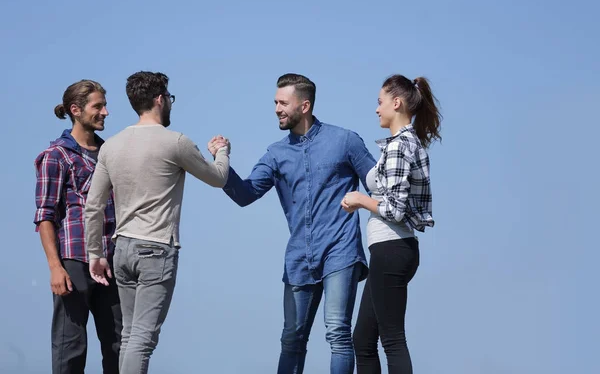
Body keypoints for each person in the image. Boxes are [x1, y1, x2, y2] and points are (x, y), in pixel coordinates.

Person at [208, 73, 376, 374]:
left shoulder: (345, 141)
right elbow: (245, 194)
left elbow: (379, 185)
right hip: (299, 258)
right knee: (292, 340)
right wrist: (223, 160)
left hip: (340, 251)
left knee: (337, 331)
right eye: (275, 102)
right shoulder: (276, 154)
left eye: (283, 103)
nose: (276, 108)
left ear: (305, 105)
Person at [84, 71, 230, 374]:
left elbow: (94, 205)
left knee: (128, 336)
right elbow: (217, 179)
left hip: (121, 248)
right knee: (142, 338)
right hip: (156, 248)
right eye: (169, 99)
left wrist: (94, 254)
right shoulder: (175, 142)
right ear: (160, 99)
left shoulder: (111, 145)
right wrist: (222, 153)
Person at [341, 75, 442, 374]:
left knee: (393, 340)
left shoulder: (400, 146)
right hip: (390, 250)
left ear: (395, 103)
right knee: (363, 339)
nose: (376, 109)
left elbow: (395, 209)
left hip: (392, 248)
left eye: (380, 101)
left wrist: (360, 199)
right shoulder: (403, 144)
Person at [33, 80, 121, 374]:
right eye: (98, 106)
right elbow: (45, 215)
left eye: (105, 106)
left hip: (111, 260)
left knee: (119, 347)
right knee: (70, 347)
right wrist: (55, 267)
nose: (106, 112)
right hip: (74, 261)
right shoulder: (56, 156)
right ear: (76, 110)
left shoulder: (111, 154)